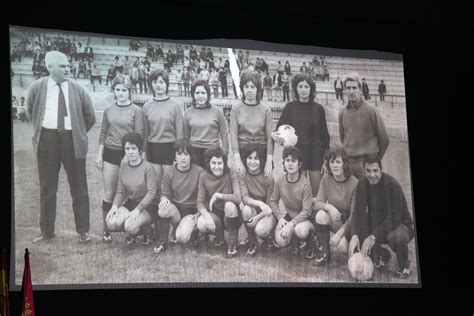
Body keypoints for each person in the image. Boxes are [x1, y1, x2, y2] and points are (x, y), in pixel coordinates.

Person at [26, 51, 96, 243]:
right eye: (63, 66)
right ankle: (47, 231)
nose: (68, 69)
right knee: (47, 188)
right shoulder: (37, 88)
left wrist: (78, 133)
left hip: (72, 140)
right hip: (47, 141)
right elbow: (30, 111)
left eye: (68, 65)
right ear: (50, 67)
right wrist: (45, 131)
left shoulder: (78, 89)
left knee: (79, 187)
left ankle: (83, 230)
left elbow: (90, 116)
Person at [348, 154, 414, 279]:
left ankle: (403, 265)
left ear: (381, 169)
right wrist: (355, 235)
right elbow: (357, 212)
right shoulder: (362, 183)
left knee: (395, 237)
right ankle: (382, 255)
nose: (372, 175)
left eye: (375, 170)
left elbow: (395, 218)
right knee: (353, 231)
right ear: (364, 170)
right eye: (368, 171)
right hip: (379, 223)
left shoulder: (392, 185)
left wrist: (372, 237)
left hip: (401, 224)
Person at [96, 75, 144, 243]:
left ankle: (133, 230)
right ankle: (106, 229)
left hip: (129, 154)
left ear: (130, 91)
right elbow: (103, 132)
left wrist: (133, 157)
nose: (121, 93)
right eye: (117, 90)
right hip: (110, 153)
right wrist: (99, 152)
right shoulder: (109, 109)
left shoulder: (137, 111)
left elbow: (139, 136)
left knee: (131, 192)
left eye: (124, 90)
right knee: (110, 192)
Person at [273, 73, 330, 197]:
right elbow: (278, 130)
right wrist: (276, 136)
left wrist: (326, 160)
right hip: (297, 154)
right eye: (300, 86)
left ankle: (315, 216)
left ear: (311, 89)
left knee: (316, 194)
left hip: (315, 154)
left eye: (306, 86)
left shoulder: (318, 109)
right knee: (300, 193)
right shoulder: (290, 107)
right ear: (295, 88)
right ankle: (301, 216)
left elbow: (325, 136)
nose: (303, 90)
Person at [105, 132, 156, 246]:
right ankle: (134, 233)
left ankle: (148, 230)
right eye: (127, 148)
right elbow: (120, 191)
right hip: (130, 204)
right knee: (112, 222)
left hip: (146, 208)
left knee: (129, 226)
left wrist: (138, 209)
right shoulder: (123, 166)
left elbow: (151, 192)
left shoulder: (147, 167)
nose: (130, 151)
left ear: (139, 150)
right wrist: (114, 206)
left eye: (134, 148)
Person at [154, 140, 204, 253]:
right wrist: (163, 199)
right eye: (179, 154)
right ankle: (163, 241)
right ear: (175, 156)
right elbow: (165, 194)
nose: (183, 158)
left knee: (182, 237)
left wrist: (198, 214)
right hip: (177, 209)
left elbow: (204, 197)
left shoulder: (200, 172)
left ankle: (194, 231)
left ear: (191, 156)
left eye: (186, 154)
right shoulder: (169, 172)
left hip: (192, 210)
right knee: (163, 210)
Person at [311, 146, 358, 265]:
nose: (335, 165)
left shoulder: (355, 183)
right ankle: (325, 254)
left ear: (345, 164)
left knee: (343, 248)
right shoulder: (326, 179)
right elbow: (317, 203)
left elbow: (354, 215)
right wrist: (329, 207)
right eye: (332, 162)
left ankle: (380, 253)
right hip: (336, 220)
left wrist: (338, 235)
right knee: (320, 215)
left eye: (338, 161)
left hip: (351, 225)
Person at [338, 74, 390, 179]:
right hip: (349, 163)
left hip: (367, 164)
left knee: (369, 195)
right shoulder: (342, 112)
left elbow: (384, 138)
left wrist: (375, 159)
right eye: (348, 88)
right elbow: (343, 137)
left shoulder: (371, 110)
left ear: (360, 89)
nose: (351, 91)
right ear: (344, 90)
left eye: (354, 87)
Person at [142, 69, 184, 198]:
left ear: (166, 84)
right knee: (155, 183)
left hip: (170, 147)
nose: (158, 85)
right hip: (153, 148)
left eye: (161, 82)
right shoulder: (146, 107)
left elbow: (180, 133)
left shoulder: (175, 106)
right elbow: (145, 132)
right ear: (151, 84)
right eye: (155, 82)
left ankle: (170, 214)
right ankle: (157, 215)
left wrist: (179, 152)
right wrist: (144, 152)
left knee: (170, 183)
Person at [269, 146, 315, 258]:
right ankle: (295, 242)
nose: (290, 164)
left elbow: (307, 211)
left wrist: (290, 224)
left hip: (306, 220)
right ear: (284, 163)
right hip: (290, 217)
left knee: (301, 230)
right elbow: (273, 201)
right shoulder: (280, 180)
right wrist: (280, 218)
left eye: (293, 161)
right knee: (281, 241)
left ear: (299, 164)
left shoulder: (305, 184)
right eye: (287, 160)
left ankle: (311, 243)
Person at [196, 146, 242, 257]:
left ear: (224, 163)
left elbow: (238, 197)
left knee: (229, 205)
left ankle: (232, 245)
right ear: (208, 163)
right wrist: (207, 216)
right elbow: (199, 202)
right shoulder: (203, 176)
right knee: (201, 223)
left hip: (232, 214)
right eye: (214, 163)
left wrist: (219, 195)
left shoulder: (231, 173)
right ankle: (219, 236)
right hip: (215, 214)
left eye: (219, 163)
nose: (217, 167)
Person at [230, 70, 274, 178]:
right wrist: (237, 159)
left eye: (253, 87)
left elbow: (270, 137)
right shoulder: (235, 109)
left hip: (261, 153)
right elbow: (233, 135)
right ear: (242, 88)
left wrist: (269, 161)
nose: (249, 90)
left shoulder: (266, 110)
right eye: (246, 86)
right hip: (243, 152)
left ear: (258, 89)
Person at [239, 143, 277, 256]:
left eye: (256, 158)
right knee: (245, 209)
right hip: (254, 209)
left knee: (261, 230)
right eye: (249, 158)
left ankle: (269, 238)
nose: (252, 161)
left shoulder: (268, 177)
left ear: (261, 160)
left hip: (267, 214)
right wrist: (259, 203)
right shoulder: (243, 175)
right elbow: (245, 197)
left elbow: (270, 204)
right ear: (245, 159)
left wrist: (258, 217)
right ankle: (252, 242)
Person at [184, 80, 229, 168]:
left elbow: (224, 135)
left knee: (211, 179)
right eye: (197, 93)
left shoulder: (217, 111)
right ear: (193, 94)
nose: (200, 96)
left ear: (208, 94)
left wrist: (224, 153)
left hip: (213, 151)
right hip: (194, 152)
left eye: (203, 93)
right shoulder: (187, 113)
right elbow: (185, 137)